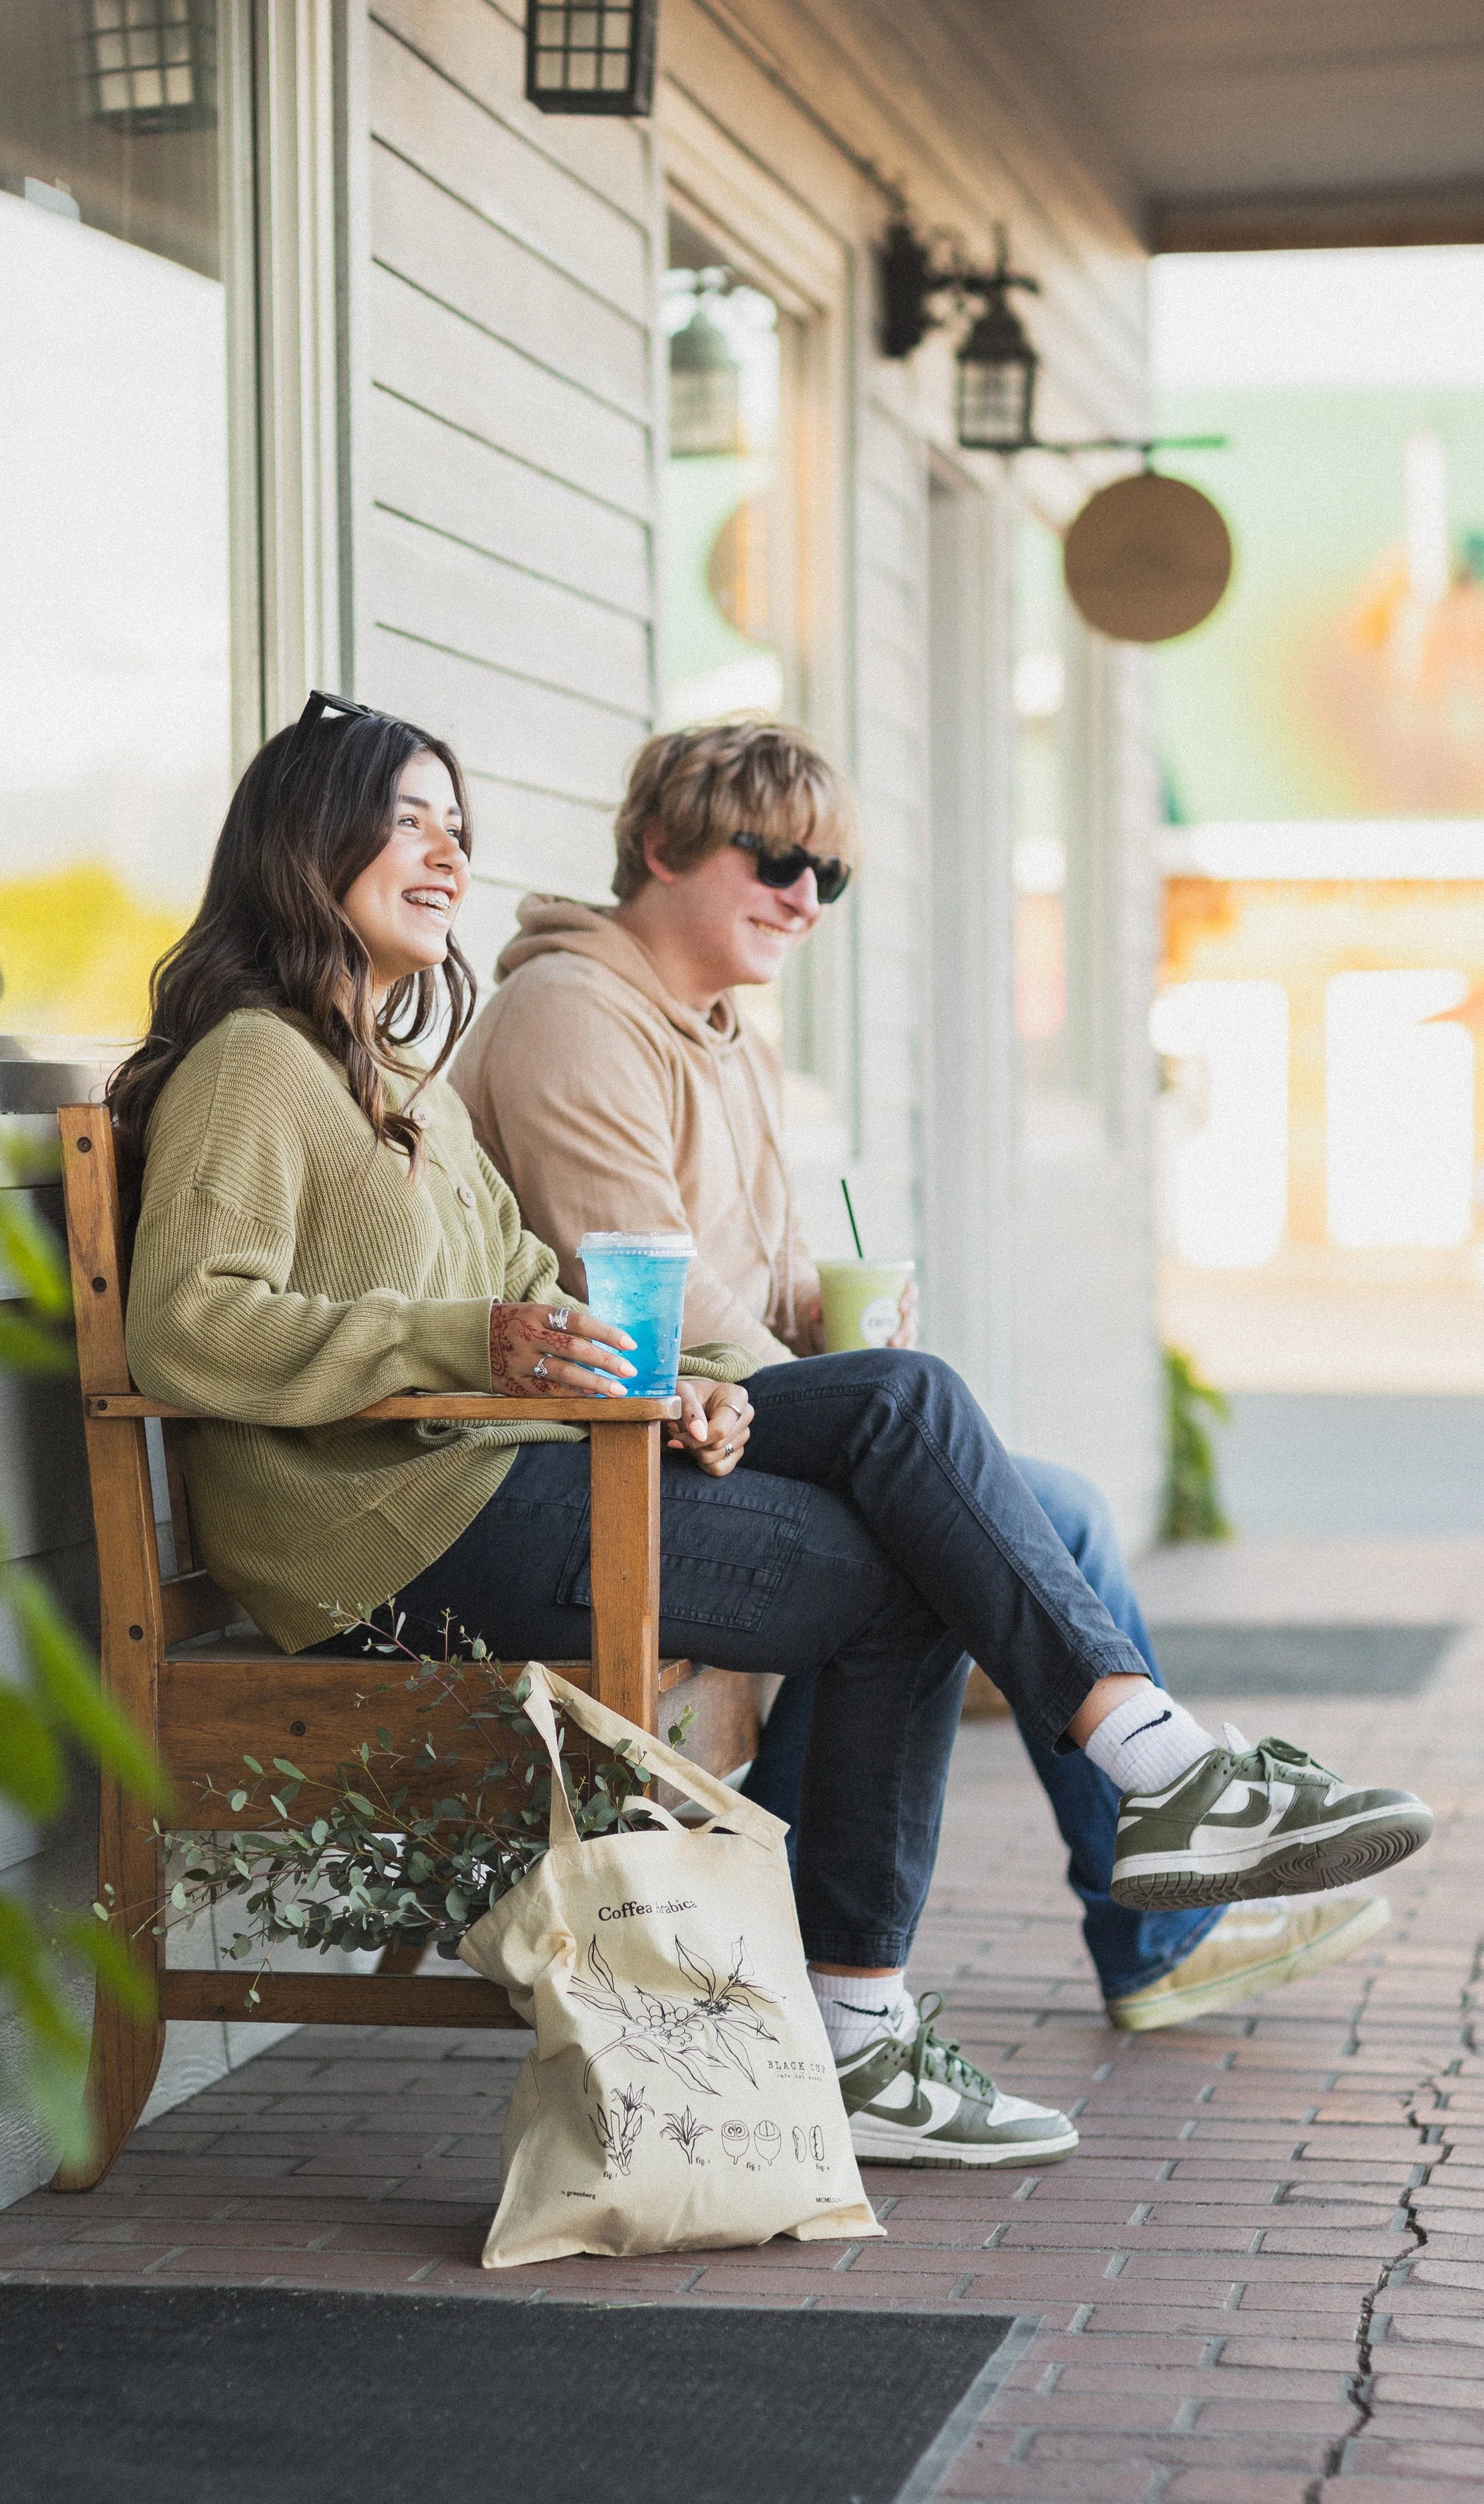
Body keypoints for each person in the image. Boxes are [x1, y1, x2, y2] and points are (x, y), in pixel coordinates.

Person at [111, 696, 1430, 2177]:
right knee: (922, 1559)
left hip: (505, 1471)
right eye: (408, 820)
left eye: (455, 827)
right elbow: (185, 1325)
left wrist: (662, 1384)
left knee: (902, 1402)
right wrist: (465, 1344)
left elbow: (532, 1287)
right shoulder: (253, 1062)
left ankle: (1153, 1772)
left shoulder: (392, 1074)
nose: (445, 853)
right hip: (391, 1533)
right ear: (307, 841)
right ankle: (892, 2004)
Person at [453, 718, 1399, 2033]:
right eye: (772, 858)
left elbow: (766, 1277)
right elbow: (637, 1281)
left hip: (726, 1411)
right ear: (661, 848)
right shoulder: (565, 1016)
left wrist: (835, 1330)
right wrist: (849, 1401)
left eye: (826, 879)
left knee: (1043, 1501)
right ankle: (1143, 1864)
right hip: (618, 1437)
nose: (801, 898)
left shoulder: (727, 1035)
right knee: (954, 1483)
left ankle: (1149, 1923)